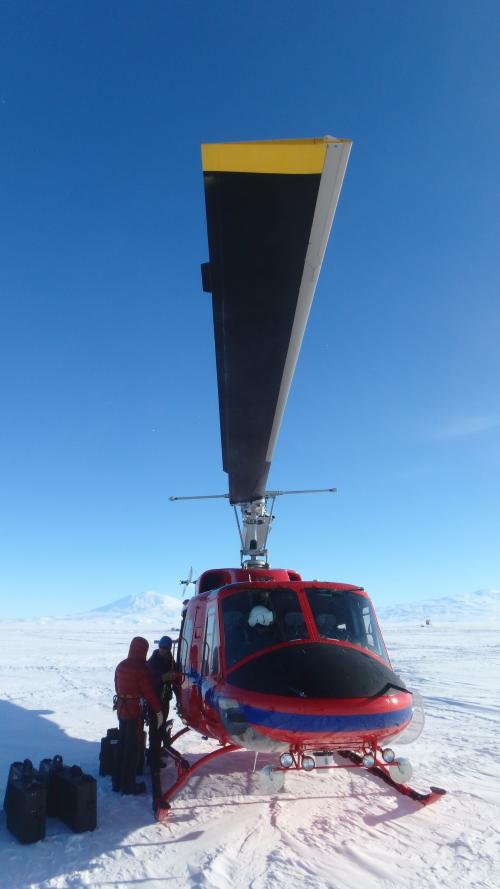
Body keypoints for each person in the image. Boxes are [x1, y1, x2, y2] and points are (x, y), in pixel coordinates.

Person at [113, 636, 162, 796]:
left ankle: (117, 782)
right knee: (132, 748)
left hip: (121, 709)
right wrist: (159, 710)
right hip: (134, 712)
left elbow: (116, 687)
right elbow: (149, 693)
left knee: (122, 744)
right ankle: (128, 785)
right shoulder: (141, 668)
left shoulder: (121, 665)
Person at [146, 636, 179, 803]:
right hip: (154, 702)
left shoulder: (169, 660)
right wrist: (163, 678)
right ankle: (153, 760)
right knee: (155, 729)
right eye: (162, 648)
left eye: (166, 648)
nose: (164, 650)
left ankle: (155, 754)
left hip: (164, 700)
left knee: (159, 729)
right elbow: (149, 682)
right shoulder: (153, 662)